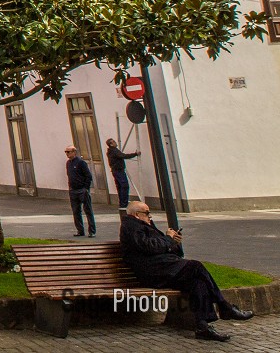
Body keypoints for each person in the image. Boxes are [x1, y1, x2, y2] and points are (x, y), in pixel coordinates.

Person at [119, 200, 252, 341]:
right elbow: (150, 247)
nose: (150, 216)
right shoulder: (131, 226)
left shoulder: (144, 225)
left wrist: (174, 242)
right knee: (196, 266)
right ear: (137, 214)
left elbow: (166, 249)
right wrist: (168, 238)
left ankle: (202, 327)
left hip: (164, 269)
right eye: (147, 213)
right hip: (153, 273)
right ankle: (224, 306)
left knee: (197, 282)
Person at [64, 145, 95, 237]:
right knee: (76, 211)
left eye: (69, 152)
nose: (67, 154)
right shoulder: (68, 163)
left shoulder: (81, 163)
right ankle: (80, 230)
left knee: (88, 210)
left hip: (82, 190)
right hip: (73, 190)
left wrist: (86, 188)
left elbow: (88, 176)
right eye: (66, 152)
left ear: (74, 152)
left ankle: (92, 231)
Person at [106, 137, 141, 209]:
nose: (115, 142)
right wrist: (135, 154)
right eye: (114, 142)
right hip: (119, 171)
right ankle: (124, 203)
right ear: (111, 144)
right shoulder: (114, 151)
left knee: (120, 186)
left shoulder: (110, 151)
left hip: (115, 170)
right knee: (124, 186)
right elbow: (123, 156)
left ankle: (122, 202)